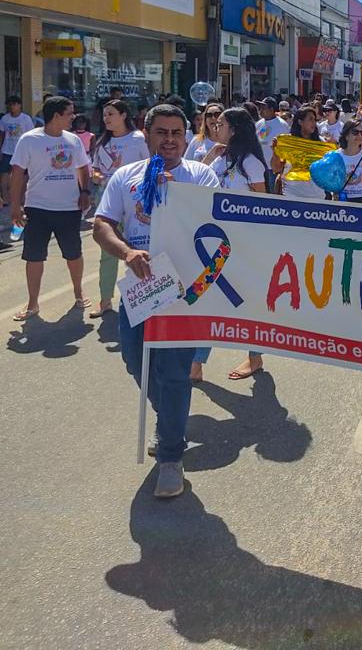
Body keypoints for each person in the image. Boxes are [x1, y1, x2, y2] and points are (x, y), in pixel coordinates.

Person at [93, 104, 218, 499]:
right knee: (136, 361)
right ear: (146, 135)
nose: (169, 139)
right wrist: (126, 252)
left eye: (176, 133)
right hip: (139, 292)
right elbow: (102, 226)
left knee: (175, 374)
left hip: (182, 296)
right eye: (161, 132)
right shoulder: (125, 177)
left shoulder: (201, 176)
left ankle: (170, 457)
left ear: (185, 137)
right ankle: (169, 421)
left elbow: (220, 225)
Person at [194, 107, 268, 382]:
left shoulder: (251, 163)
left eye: (221, 123)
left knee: (247, 302)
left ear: (234, 129)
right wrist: (212, 154)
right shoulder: (219, 159)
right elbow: (197, 183)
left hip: (244, 245)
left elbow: (263, 205)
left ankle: (255, 357)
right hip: (214, 241)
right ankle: (196, 363)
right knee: (205, 298)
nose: (215, 125)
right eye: (214, 121)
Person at [9, 96, 92, 321]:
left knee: (73, 254)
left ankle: (78, 291)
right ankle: (33, 303)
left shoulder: (73, 140)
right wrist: (15, 207)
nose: (73, 118)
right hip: (37, 208)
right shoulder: (29, 140)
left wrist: (85, 192)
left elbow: (84, 168)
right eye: (69, 113)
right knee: (34, 257)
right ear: (56, 116)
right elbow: (17, 175)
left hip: (68, 209)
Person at [90, 100, 149, 318]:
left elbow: (151, 164)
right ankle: (105, 300)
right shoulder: (101, 142)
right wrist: (96, 176)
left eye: (111, 114)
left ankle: (145, 295)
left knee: (137, 249)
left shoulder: (138, 139)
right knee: (108, 252)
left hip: (136, 203)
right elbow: (94, 168)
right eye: (104, 114)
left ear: (124, 115)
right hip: (107, 200)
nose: (106, 118)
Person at [272, 105, 328, 201]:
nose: (314, 123)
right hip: (292, 195)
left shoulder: (321, 143)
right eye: (310, 119)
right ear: (300, 122)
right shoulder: (287, 142)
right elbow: (276, 168)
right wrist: (275, 151)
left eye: (315, 120)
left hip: (316, 196)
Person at [0, 96, 34, 206]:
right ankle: (5, 198)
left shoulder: (26, 119)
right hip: (7, 151)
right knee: (4, 175)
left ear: (19, 105)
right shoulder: (5, 119)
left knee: (22, 176)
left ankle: (22, 198)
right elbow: (2, 135)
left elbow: (31, 136)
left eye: (14, 104)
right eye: (10, 104)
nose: (12, 107)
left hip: (21, 151)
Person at [255, 96, 290, 192]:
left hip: (273, 169)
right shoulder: (259, 124)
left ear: (271, 109)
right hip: (259, 167)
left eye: (263, 108)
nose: (260, 110)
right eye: (260, 108)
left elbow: (286, 148)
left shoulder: (282, 125)